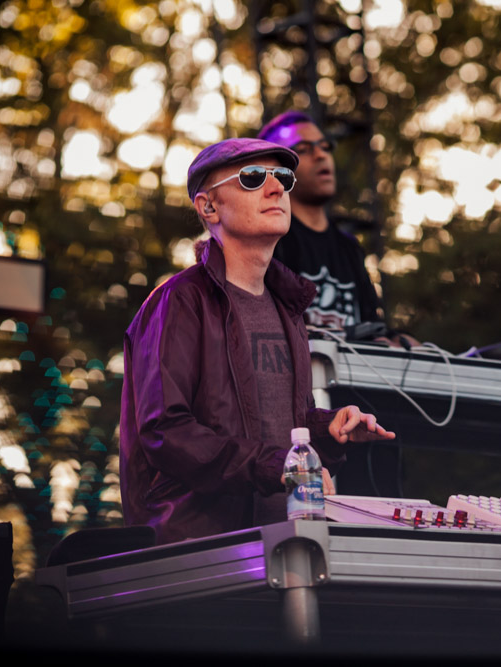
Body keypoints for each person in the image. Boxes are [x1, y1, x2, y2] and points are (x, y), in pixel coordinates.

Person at [119, 137, 395, 545]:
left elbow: (285, 430)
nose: (276, 188)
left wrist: (327, 427)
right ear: (209, 207)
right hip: (201, 549)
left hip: (286, 540)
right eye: (252, 178)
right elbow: (166, 432)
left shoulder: (289, 306)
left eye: (283, 177)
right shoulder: (178, 301)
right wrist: (276, 466)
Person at [257, 111, 384, 332]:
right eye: (303, 149)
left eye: (325, 146)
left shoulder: (350, 249)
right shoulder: (267, 242)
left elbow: (373, 327)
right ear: (275, 171)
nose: (320, 155)